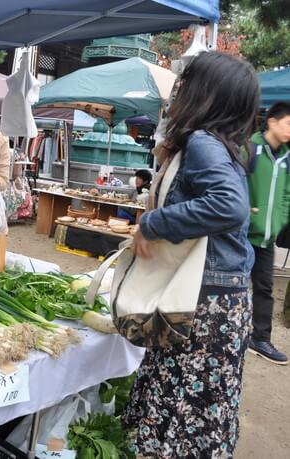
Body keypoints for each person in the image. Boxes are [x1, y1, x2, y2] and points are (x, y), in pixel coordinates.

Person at [123, 52, 260, 458]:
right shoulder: (225, 145)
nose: (177, 91)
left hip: (206, 304)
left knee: (182, 410)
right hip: (223, 299)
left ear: (203, 94)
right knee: (196, 412)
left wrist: (152, 223)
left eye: (185, 84)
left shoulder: (203, 143)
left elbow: (228, 206)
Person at [245, 102, 290, 365]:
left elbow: (287, 195)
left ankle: (260, 338)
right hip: (243, 235)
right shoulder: (249, 148)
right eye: (288, 124)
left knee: (265, 288)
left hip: (267, 238)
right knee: (234, 286)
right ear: (272, 122)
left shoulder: (287, 157)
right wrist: (247, 214)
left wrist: (277, 222)